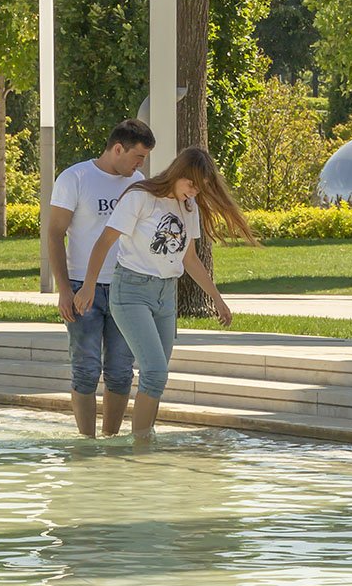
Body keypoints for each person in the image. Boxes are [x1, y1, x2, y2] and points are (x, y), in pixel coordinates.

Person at [73, 145, 254, 439]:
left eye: (200, 188)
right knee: (156, 371)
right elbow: (104, 242)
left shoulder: (188, 207)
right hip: (131, 292)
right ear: (178, 173)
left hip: (165, 296)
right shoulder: (140, 197)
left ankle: (132, 442)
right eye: (191, 184)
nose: (194, 192)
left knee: (155, 378)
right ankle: (142, 448)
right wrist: (89, 285)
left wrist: (217, 299)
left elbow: (190, 258)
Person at [48, 119, 156, 437]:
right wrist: (64, 289)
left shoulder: (137, 184)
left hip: (126, 288)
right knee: (86, 369)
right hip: (83, 289)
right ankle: (86, 441)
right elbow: (54, 234)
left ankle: (110, 440)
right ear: (118, 148)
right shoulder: (75, 178)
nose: (140, 165)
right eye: (138, 157)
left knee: (121, 372)